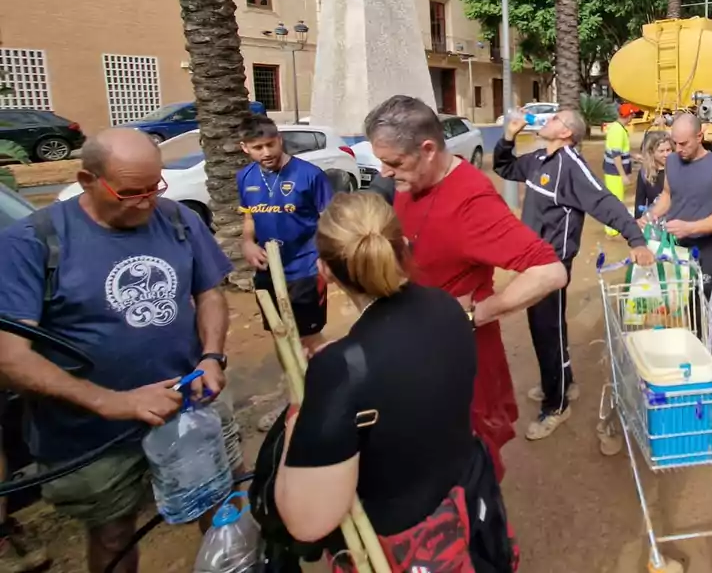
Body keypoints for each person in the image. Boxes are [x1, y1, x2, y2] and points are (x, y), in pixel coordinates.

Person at [0, 129, 238, 573]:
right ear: (86, 179)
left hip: (188, 410)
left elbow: (209, 293)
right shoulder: (32, 242)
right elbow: (9, 358)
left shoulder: (177, 219)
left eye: (155, 188)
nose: (146, 202)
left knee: (220, 506)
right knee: (113, 535)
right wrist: (111, 402)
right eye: (130, 193)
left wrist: (211, 355)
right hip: (93, 435)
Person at [274, 193, 514, 570]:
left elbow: (308, 522)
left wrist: (298, 410)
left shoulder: (343, 370)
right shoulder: (449, 307)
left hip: (406, 544)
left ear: (325, 271)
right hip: (468, 506)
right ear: (403, 246)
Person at [364, 96, 567, 480]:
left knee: (469, 475)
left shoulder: (471, 203)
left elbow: (550, 271)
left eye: (394, 163)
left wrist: (476, 314)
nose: (385, 173)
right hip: (420, 353)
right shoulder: (412, 185)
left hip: (461, 364)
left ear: (427, 150)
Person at [494, 109, 653, 439]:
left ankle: (556, 405)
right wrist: (508, 136)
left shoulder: (572, 166)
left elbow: (604, 202)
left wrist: (635, 240)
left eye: (554, 119)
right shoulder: (538, 158)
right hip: (532, 258)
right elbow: (505, 167)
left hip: (551, 263)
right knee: (551, 325)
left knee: (545, 330)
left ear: (566, 133)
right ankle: (566, 383)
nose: (546, 121)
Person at [236, 114, 333, 430]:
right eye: (257, 147)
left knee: (309, 336)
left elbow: (328, 221)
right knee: (281, 337)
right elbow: (250, 218)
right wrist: (248, 242)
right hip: (268, 270)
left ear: (280, 139)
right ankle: (294, 396)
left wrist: (326, 259)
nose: (266, 152)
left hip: (305, 266)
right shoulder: (245, 177)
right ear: (244, 148)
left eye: (270, 143)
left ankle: (326, 396)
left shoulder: (309, 176)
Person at [642, 113, 712, 304]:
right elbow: (668, 195)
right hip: (673, 249)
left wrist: (689, 228)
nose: (678, 149)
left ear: (699, 137)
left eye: (684, 144)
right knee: (673, 304)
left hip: (704, 249)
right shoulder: (672, 161)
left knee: (700, 310)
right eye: (675, 143)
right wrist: (650, 215)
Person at [602, 104, 636, 237]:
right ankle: (611, 230)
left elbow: (621, 150)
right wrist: (623, 175)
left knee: (617, 200)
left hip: (614, 172)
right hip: (614, 173)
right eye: (633, 114)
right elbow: (616, 155)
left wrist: (634, 156)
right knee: (615, 201)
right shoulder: (617, 130)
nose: (633, 117)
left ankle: (613, 227)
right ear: (629, 116)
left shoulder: (618, 128)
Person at [635, 130, 672, 218]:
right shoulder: (645, 173)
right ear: (651, 152)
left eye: (668, 150)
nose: (666, 154)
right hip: (656, 222)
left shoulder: (678, 169)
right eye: (661, 151)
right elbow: (640, 203)